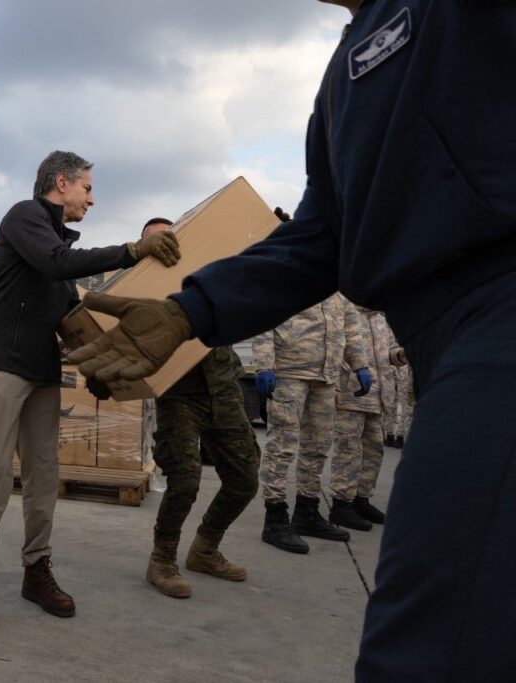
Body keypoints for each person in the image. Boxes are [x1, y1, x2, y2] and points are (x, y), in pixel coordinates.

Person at [69, 1, 516, 678]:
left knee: (425, 643)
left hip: (499, 314)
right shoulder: (342, 79)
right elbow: (318, 238)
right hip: (440, 342)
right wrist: (189, 312)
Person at [0, 151, 180, 633]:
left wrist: (109, 364)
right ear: (61, 182)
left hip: (39, 367)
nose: (92, 200)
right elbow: (56, 264)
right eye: (88, 189)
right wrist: (131, 250)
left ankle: (37, 569)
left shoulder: (55, 242)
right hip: (0, 361)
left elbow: (70, 316)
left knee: (44, 474)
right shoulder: (26, 217)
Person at [133, 218, 262, 598]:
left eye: (168, 238)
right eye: (152, 241)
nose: (163, 246)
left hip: (222, 387)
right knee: (185, 478)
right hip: (178, 394)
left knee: (245, 478)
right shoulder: (141, 291)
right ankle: (162, 559)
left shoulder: (206, 275)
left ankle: (205, 548)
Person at [252, 294, 370, 554]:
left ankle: (306, 512)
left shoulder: (339, 288)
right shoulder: (290, 273)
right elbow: (263, 316)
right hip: (289, 373)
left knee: (317, 448)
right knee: (281, 447)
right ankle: (275, 518)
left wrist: (360, 364)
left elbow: (351, 327)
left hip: (327, 376)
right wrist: (264, 366)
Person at [328, 303, 405, 530]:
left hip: (378, 397)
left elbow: (390, 352)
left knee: (373, 451)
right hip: (352, 394)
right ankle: (341, 504)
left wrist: (400, 354)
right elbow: (333, 349)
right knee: (348, 451)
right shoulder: (346, 312)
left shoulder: (381, 318)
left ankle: (361, 500)